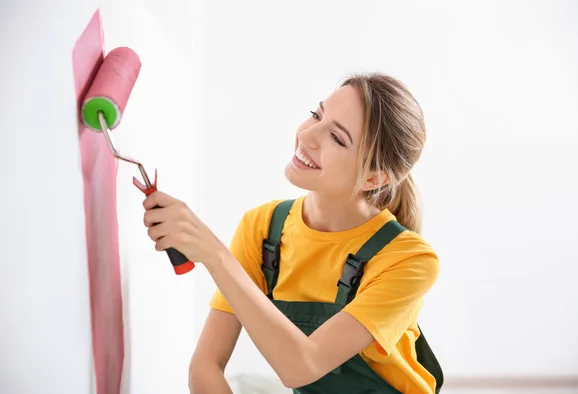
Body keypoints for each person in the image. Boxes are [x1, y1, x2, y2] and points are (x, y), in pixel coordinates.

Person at [141, 72, 443, 394]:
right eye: (316, 114)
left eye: (337, 138)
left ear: (373, 179)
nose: (307, 135)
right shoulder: (263, 229)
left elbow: (302, 366)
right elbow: (204, 367)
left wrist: (215, 256)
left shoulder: (409, 259)